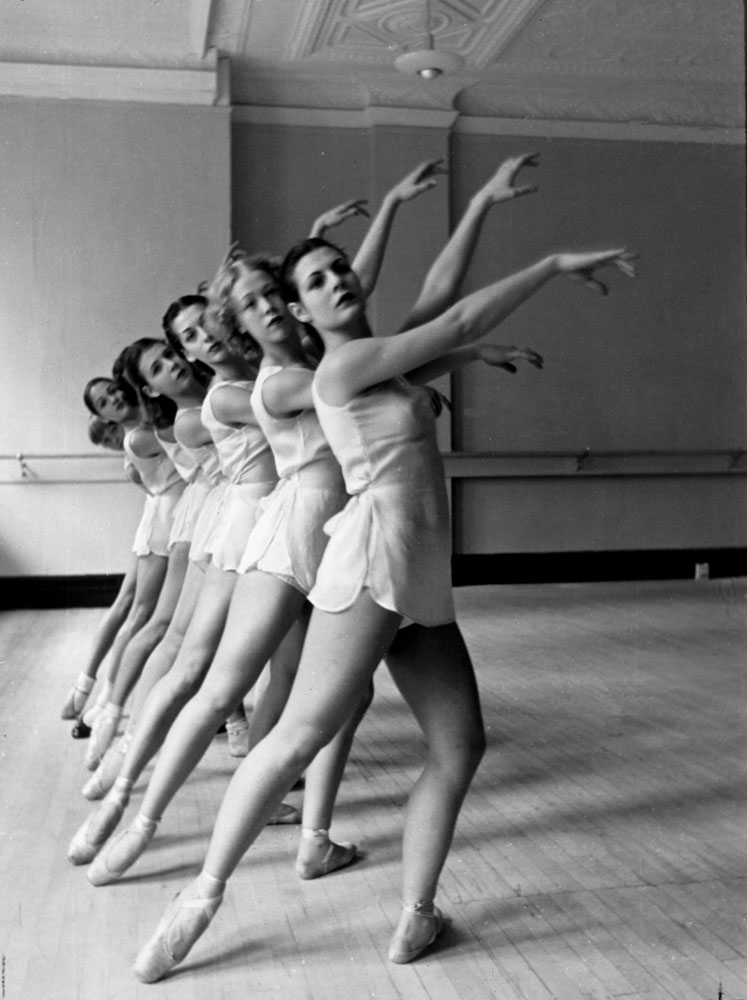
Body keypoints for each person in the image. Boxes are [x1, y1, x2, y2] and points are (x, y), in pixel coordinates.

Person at [132, 215, 634, 980]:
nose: (337, 282)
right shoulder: (337, 370)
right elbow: (455, 318)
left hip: (421, 572)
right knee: (297, 735)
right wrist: (552, 259)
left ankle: (415, 915)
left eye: (341, 270)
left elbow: (439, 301)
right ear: (299, 310)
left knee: (459, 743)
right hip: (369, 561)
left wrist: (477, 208)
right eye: (315, 281)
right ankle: (199, 899)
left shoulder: (376, 364)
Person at [62, 417, 139, 734]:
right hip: (164, 523)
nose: (113, 436)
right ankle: (97, 696)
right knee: (132, 609)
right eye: (108, 439)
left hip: (166, 519)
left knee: (134, 609)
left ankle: (87, 692)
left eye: (111, 429)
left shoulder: (137, 436)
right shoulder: (135, 444)